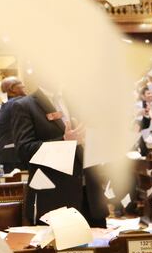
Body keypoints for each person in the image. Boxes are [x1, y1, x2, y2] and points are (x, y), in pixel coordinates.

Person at [13, 88, 107, 227]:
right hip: (55, 198)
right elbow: (24, 150)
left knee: (99, 247)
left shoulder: (77, 100)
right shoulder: (25, 105)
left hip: (91, 196)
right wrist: (64, 142)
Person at [0, 76, 28, 172]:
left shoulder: (5, 105)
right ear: (12, 88)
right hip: (14, 157)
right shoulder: (18, 103)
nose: (24, 85)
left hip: (4, 156)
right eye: (20, 83)